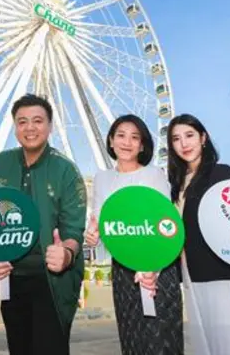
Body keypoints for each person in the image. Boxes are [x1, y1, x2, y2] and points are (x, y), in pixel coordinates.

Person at [0, 94, 87, 355]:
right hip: (11, 277)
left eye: (38, 121)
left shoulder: (66, 169)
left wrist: (66, 252)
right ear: (15, 127)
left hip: (52, 280)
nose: (30, 128)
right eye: (22, 122)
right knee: (18, 347)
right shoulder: (0, 163)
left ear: (50, 126)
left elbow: (74, 228)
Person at [167, 113, 230, 355]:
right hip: (191, 274)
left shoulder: (220, 173)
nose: (184, 143)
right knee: (209, 341)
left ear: (203, 137)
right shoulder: (175, 184)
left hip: (220, 273)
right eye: (176, 139)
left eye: (190, 135)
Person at [85, 114, 184, 355]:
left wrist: (153, 268)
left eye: (134, 137)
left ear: (142, 145)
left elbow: (166, 223)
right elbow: (101, 221)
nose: (126, 142)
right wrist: (92, 235)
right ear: (110, 141)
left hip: (158, 266)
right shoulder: (102, 179)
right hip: (123, 268)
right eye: (120, 135)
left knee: (161, 337)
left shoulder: (154, 175)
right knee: (132, 337)